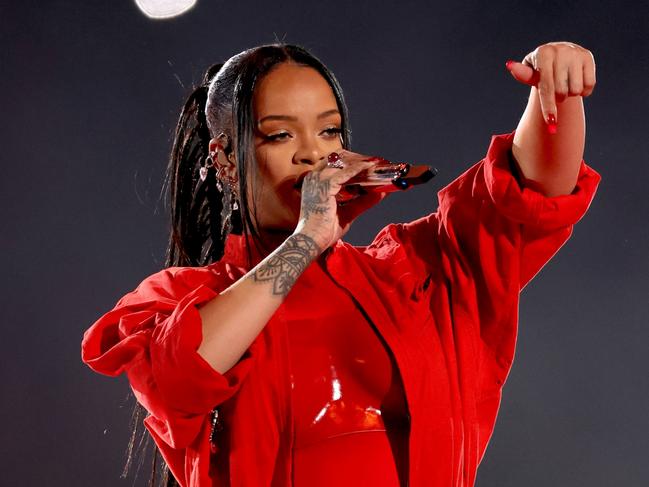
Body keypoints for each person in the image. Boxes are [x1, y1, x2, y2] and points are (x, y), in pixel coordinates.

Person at [81, 42, 600, 487]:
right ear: (225, 161)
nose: (313, 155)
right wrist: (308, 238)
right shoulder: (180, 299)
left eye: (329, 133)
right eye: (281, 135)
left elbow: (527, 196)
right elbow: (178, 376)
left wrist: (558, 86)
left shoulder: (414, 272)